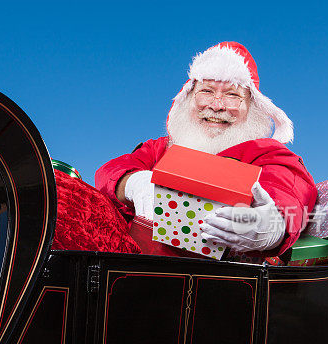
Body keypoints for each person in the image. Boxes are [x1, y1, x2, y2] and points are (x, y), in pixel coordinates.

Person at [95, 42, 316, 256]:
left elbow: (288, 187)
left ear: (251, 108)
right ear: (189, 98)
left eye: (232, 95)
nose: (217, 105)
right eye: (207, 91)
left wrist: (273, 226)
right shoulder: (161, 148)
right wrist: (135, 183)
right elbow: (111, 171)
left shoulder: (267, 154)